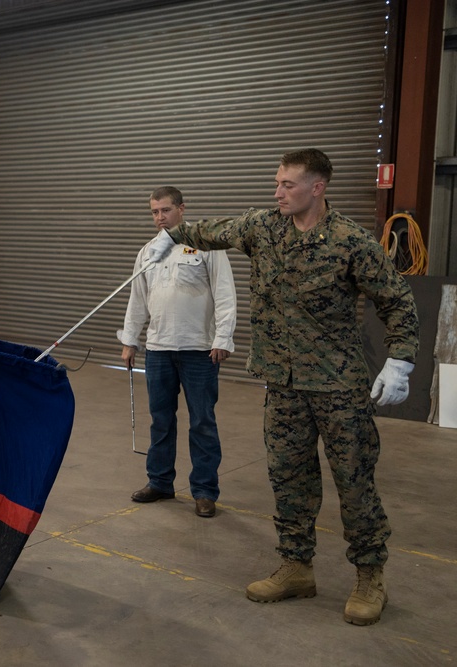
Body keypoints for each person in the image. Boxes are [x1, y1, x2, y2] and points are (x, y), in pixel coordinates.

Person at [143, 148, 419, 626]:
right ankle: (296, 567)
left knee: (354, 484)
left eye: (288, 184)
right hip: (283, 384)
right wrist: (173, 235)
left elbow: (397, 300)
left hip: (339, 388)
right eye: (277, 183)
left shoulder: (350, 241)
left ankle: (371, 575)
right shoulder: (264, 228)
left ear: (318, 187)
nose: (278, 193)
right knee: (289, 481)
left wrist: (400, 360)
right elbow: (214, 231)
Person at [118, 187, 236, 519]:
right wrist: (131, 341)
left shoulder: (207, 247)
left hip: (199, 350)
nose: (159, 218)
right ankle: (159, 482)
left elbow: (225, 292)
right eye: (154, 212)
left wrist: (223, 338)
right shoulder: (147, 253)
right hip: (158, 351)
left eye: (165, 210)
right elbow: (137, 299)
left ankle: (204, 491)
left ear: (181, 209)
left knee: (202, 421)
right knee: (161, 420)